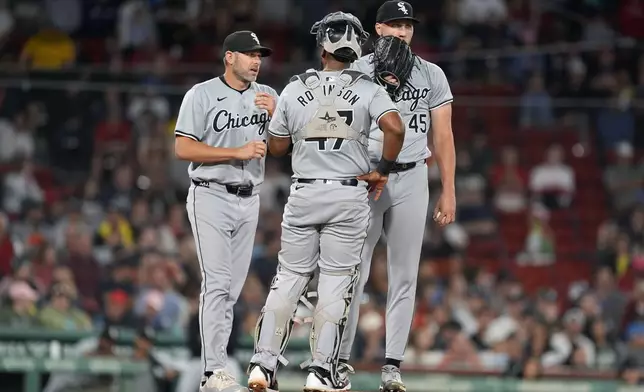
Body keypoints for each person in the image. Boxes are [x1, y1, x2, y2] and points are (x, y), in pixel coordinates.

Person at [245, 11, 405, 392]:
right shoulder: (368, 88)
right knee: (335, 283)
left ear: (323, 46)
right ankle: (320, 370)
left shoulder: (295, 87)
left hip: (305, 191)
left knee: (289, 279)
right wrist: (382, 168)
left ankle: (262, 365)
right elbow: (395, 127)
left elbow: (279, 148)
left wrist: (284, 122)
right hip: (348, 193)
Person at [339, 2, 457, 391]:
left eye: (408, 25)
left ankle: (392, 367)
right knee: (354, 273)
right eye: (395, 25)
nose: (403, 32)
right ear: (378, 29)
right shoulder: (358, 70)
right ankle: (339, 358)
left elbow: (442, 136)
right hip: (369, 177)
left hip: (412, 177)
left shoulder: (431, 73)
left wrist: (449, 190)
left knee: (405, 276)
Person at [174, 30, 278, 392]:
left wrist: (278, 118)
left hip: (251, 197)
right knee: (216, 285)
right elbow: (183, 148)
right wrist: (236, 153)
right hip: (211, 194)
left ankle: (216, 370)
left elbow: (283, 147)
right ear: (229, 57)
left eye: (259, 54)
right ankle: (212, 370)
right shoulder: (201, 94)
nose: (256, 60)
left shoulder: (268, 96)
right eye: (249, 53)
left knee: (232, 292)